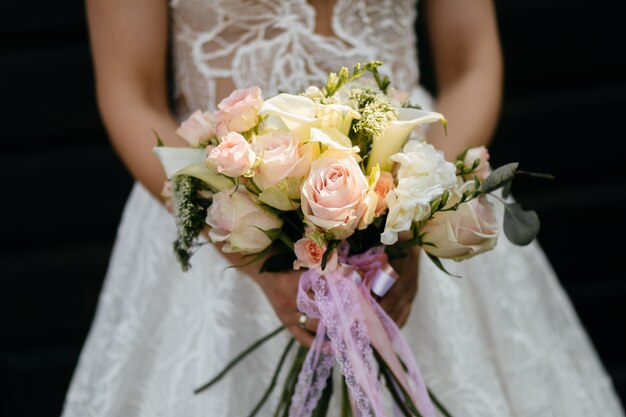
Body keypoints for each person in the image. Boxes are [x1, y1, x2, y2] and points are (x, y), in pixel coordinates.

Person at [62, 0, 624, 416]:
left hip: (412, 183)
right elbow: (129, 94)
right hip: (221, 202)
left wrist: (414, 219)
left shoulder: (415, 211)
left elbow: (472, 62)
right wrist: (252, 250)